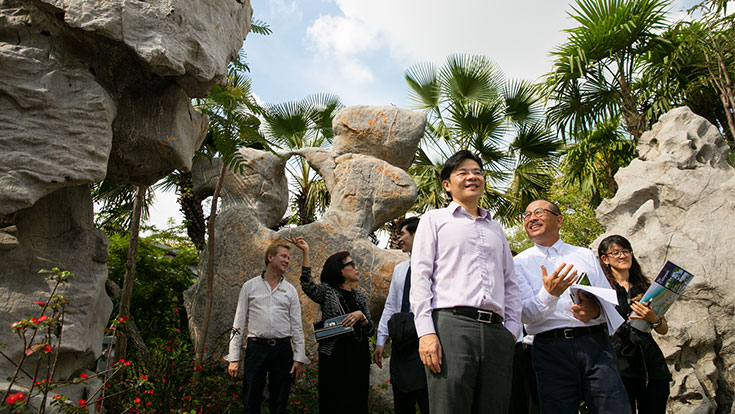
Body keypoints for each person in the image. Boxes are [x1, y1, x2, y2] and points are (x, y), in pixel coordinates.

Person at [410, 150, 521, 414]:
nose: (472, 177)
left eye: (477, 172)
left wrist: (512, 331)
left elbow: (510, 283)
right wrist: (426, 332)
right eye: (463, 173)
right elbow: (421, 277)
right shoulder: (434, 220)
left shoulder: (495, 228)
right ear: (447, 185)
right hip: (452, 326)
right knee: (449, 407)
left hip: (497, 331)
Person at [514, 199, 631, 414]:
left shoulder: (584, 254)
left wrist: (595, 311)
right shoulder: (519, 263)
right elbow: (526, 315)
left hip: (595, 343)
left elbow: (609, 299)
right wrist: (549, 294)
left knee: (614, 408)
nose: (531, 218)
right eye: (527, 215)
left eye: (538, 212)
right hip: (550, 349)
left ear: (558, 220)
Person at [226, 239, 308, 414]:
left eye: (289, 258)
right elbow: (238, 323)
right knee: (250, 401)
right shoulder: (249, 286)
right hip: (256, 349)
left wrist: (299, 357)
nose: (287, 260)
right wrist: (234, 357)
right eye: (283, 256)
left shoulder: (291, 290)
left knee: (279, 403)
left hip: (283, 350)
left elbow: (297, 326)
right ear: (270, 257)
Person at [298, 239, 374, 414]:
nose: (356, 268)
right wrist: (306, 252)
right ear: (340, 270)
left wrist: (361, 316)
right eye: (351, 264)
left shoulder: (359, 297)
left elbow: (370, 330)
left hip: (358, 358)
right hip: (334, 357)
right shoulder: (328, 291)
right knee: (334, 402)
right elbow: (308, 285)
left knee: (357, 402)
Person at [598, 235, 672, 413]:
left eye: (626, 251)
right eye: (615, 253)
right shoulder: (602, 289)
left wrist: (653, 318)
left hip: (649, 363)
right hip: (618, 364)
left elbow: (663, 329)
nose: (623, 256)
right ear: (605, 259)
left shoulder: (645, 287)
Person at [374, 216, 429, 414]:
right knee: (402, 402)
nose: (399, 239)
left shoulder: (435, 267)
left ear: (417, 235)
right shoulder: (400, 269)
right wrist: (381, 340)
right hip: (400, 343)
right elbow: (391, 306)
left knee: (427, 401)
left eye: (403, 234)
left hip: (425, 341)